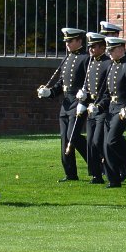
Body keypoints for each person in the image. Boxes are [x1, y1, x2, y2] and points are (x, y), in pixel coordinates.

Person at [36, 27, 89, 182]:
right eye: (66, 41)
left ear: (79, 40)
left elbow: (89, 82)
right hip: (66, 103)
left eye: (70, 41)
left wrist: (84, 99)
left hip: (78, 101)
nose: (67, 44)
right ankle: (70, 173)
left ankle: (97, 162)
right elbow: (61, 83)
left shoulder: (86, 58)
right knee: (65, 138)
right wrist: (49, 92)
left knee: (73, 136)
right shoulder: (66, 59)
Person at [78, 32, 111, 184]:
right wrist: (83, 96)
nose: (91, 49)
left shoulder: (108, 63)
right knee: (90, 142)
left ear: (102, 47)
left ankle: (112, 168)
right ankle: (96, 175)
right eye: (90, 46)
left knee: (98, 141)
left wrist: (99, 105)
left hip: (102, 108)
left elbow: (108, 89)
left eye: (94, 46)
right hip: (91, 107)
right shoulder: (91, 62)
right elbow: (87, 83)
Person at [103, 36, 126, 188]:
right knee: (106, 144)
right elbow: (106, 90)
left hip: (121, 108)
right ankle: (113, 179)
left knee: (112, 140)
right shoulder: (111, 66)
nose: (109, 53)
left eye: (112, 50)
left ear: (121, 49)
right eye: (108, 50)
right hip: (111, 107)